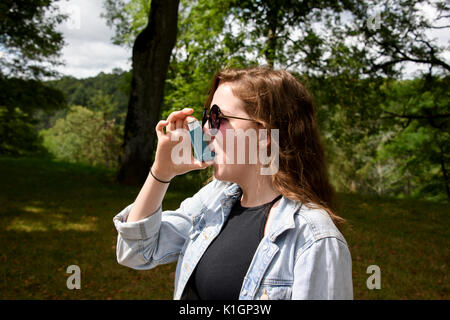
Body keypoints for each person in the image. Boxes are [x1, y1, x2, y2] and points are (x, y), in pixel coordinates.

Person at [113, 66, 353, 300]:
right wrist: (161, 173)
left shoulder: (313, 238)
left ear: (265, 136)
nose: (205, 129)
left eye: (219, 117)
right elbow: (136, 252)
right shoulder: (213, 202)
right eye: (208, 117)